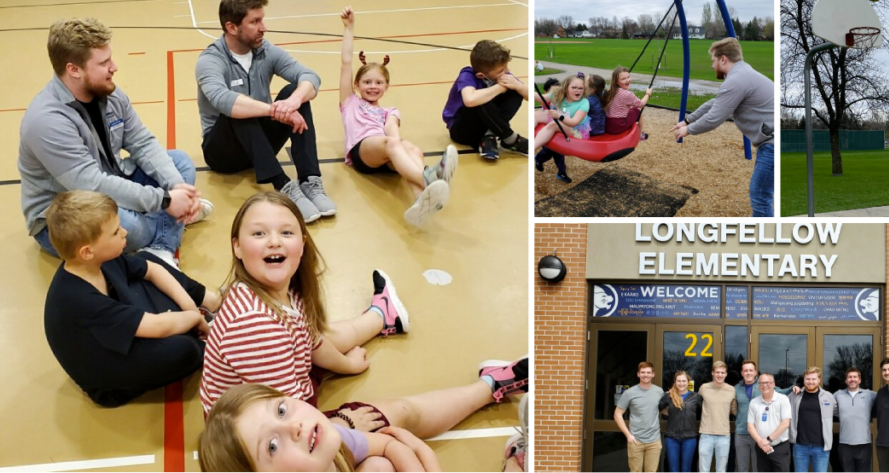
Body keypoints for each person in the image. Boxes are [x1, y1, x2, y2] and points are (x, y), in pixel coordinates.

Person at [200, 191, 529, 431]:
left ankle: (382, 316)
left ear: (302, 241)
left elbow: (311, 340)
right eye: (259, 233)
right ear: (237, 246)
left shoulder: (279, 291)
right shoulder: (253, 325)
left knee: (326, 334)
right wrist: (346, 421)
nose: (274, 242)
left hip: (282, 392)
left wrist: (346, 365)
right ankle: (490, 386)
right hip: (264, 435)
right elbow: (291, 423)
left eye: (285, 232)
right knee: (398, 412)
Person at [20, 18, 211, 265]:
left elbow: (142, 142)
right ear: (73, 69)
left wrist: (175, 187)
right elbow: (90, 184)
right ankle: (169, 226)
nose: (114, 67)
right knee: (131, 228)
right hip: (64, 216)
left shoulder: (108, 92)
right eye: (104, 63)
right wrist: (165, 201)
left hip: (110, 182)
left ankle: (161, 244)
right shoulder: (46, 120)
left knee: (180, 163)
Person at [43, 191, 219, 407]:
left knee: (145, 259)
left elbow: (152, 269)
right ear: (87, 252)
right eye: (116, 232)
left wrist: (190, 307)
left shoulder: (96, 261)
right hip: (109, 376)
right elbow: (158, 327)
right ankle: (210, 343)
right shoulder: (80, 300)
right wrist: (194, 320)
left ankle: (209, 301)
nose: (125, 232)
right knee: (184, 350)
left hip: (120, 328)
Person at [195, 0, 333, 224]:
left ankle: (310, 180)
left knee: (294, 91)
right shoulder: (210, 60)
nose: (264, 27)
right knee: (237, 107)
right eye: (255, 21)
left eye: (262, 19)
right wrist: (274, 110)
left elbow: (310, 76)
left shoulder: (265, 50)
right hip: (223, 152)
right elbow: (223, 100)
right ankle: (284, 186)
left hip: (260, 145)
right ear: (231, 27)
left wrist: (292, 102)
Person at [337, 7, 456, 227]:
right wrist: (349, 28)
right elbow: (346, 63)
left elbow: (392, 130)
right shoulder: (350, 102)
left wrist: (400, 147)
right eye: (367, 82)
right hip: (362, 152)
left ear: (387, 86)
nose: (373, 87)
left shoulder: (389, 111)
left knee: (413, 149)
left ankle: (421, 201)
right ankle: (427, 178)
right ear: (357, 85)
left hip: (386, 152)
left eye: (378, 83)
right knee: (393, 144)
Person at [199, 384, 444, 472]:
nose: (294, 427)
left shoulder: (324, 439)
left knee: (379, 465)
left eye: (281, 411)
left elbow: (388, 444)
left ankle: (484, 387)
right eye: (272, 447)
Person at [672, 38, 774, 217]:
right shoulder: (742, 74)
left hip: (772, 145)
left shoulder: (737, 79)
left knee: (760, 196)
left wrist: (687, 130)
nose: (712, 65)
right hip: (768, 143)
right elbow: (715, 103)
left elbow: (714, 118)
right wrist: (688, 120)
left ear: (723, 59)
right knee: (761, 195)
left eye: (713, 60)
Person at [443, 40, 529, 160]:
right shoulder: (467, 74)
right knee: (482, 100)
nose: (506, 71)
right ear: (480, 75)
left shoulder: (503, 73)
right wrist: (499, 87)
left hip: (485, 124)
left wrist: (517, 85)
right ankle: (510, 138)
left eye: (506, 68)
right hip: (462, 129)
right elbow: (470, 100)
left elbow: (529, 96)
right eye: (501, 71)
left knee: (515, 92)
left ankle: (489, 136)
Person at [536, 74, 606, 184]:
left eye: (581, 88)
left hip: (577, 130)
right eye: (574, 87)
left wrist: (559, 116)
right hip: (562, 121)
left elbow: (574, 122)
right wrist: (520, 88)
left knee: (553, 125)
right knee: (536, 115)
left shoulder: (584, 102)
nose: (578, 90)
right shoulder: (558, 94)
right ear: (566, 88)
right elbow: (539, 97)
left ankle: (532, 148)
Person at [733, 360, 797, 473]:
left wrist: (793, 388)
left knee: (758, 468)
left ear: (755, 372)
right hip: (743, 433)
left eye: (751, 370)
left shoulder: (767, 386)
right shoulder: (736, 389)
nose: (748, 373)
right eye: (745, 370)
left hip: (762, 438)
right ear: (742, 373)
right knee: (742, 467)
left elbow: (782, 392)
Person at [614, 362, 665, 473]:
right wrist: (628, 435)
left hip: (654, 441)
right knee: (635, 471)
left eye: (648, 372)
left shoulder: (659, 391)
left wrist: (676, 399)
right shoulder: (629, 393)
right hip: (635, 440)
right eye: (642, 372)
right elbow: (617, 414)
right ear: (638, 374)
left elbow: (664, 410)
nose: (645, 375)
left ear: (653, 374)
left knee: (651, 471)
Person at [787, 367, 837, 473]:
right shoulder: (794, 396)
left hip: (821, 447)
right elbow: (779, 402)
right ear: (804, 380)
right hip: (800, 445)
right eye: (808, 379)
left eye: (813, 379)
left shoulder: (828, 397)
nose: (810, 382)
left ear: (819, 380)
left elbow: (838, 412)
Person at [746, 372, 792, 473]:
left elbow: (785, 423)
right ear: (758, 386)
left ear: (774, 384)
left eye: (767, 382)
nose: (764, 385)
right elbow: (750, 426)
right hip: (761, 448)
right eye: (761, 383)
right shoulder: (754, 402)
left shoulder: (783, 399)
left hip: (779, 447)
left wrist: (768, 439)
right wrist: (761, 443)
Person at [834, 367, 876, 473]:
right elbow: (825, 402)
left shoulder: (870, 394)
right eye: (849, 377)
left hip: (864, 444)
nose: (852, 379)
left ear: (860, 380)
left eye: (855, 377)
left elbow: (887, 397)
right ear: (845, 380)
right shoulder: (838, 395)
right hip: (845, 444)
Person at [659, 371, 702, 473]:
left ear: (688, 382)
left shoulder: (695, 397)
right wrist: (673, 414)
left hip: (690, 438)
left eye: (684, 381)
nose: (681, 383)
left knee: (686, 469)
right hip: (672, 438)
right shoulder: (668, 396)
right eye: (679, 381)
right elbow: (660, 408)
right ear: (675, 382)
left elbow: (705, 411)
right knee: (673, 469)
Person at [697, 361, 735, 473]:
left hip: (724, 435)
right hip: (706, 434)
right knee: (704, 470)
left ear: (726, 374)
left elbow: (732, 410)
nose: (720, 375)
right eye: (717, 372)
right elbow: (695, 403)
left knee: (721, 470)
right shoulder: (704, 388)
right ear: (712, 373)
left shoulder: (731, 390)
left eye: (722, 372)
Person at [602, 66, 651, 140]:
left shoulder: (610, 91)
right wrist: (648, 94)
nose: (627, 80)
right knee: (637, 111)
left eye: (628, 77)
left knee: (631, 109)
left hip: (607, 125)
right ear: (616, 82)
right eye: (623, 79)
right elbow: (641, 104)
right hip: (617, 126)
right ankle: (640, 136)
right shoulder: (627, 94)